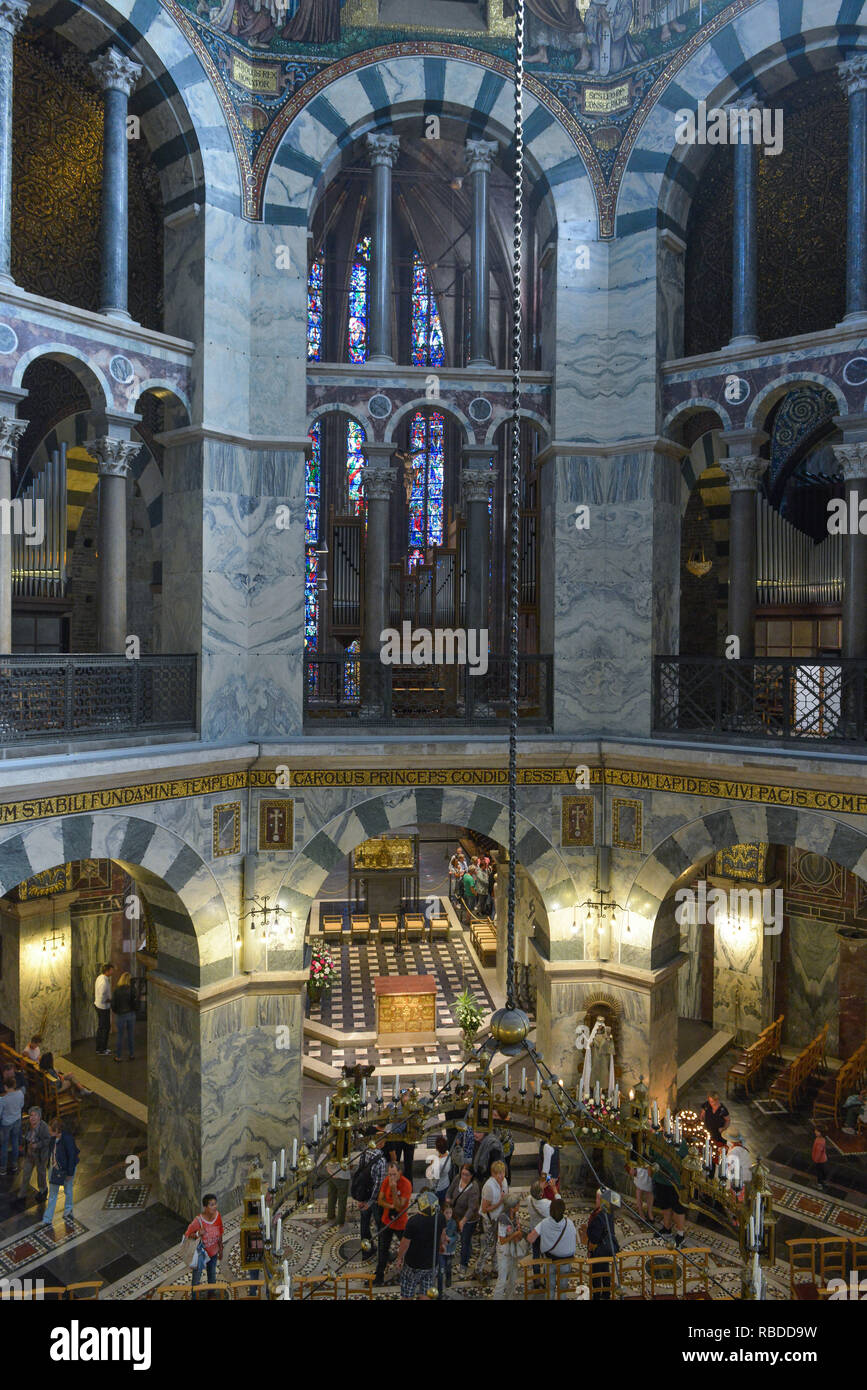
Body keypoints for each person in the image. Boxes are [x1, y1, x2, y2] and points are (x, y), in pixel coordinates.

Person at [526, 1195, 578, 1298]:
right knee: (563, 1289)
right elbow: (575, 1239)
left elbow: (530, 1239)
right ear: (563, 1210)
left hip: (550, 1260)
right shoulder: (570, 1223)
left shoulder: (544, 1223)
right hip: (566, 1261)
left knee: (549, 1288)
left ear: (550, 1210)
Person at [394, 1188, 442, 1299]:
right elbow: (443, 1237)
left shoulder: (413, 1222)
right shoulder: (440, 1218)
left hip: (413, 1264)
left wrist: (400, 1258)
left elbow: (405, 1244)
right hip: (431, 1264)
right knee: (425, 1293)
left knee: (407, 1293)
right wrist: (442, 1246)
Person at [373, 1158, 412, 1286]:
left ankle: (407, 1274)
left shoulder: (406, 1184)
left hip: (401, 1223)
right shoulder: (386, 1181)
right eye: (389, 1174)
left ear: (400, 1172)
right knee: (383, 1249)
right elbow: (380, 1200)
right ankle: (378, 1277)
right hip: (387, 1221)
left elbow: (399, 1206)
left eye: (394, 1174)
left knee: (407, 1249)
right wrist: (390, 1207)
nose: (391, 1177)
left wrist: (394, 1189)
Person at [351, 1131, 387, 1252]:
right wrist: (370, 1202)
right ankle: (383, 1250)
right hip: (374, 1199)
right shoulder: (381, 1160)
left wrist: (361, 1199)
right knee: (380, 1225)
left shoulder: (365, 1152)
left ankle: (366, 1248)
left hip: (363, 1193)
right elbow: (378, 1184)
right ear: (381, 1143)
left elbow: (360, 1173)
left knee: (364, 1224)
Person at [41, 1118, 79, 1225]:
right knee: (52, 1194)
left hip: (66, 1169)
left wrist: (70, 1173)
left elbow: (72, 1157)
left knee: (68, 1189)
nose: (49, 1132)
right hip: (55, 1168)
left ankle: (68, 1209)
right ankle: (47, 1219)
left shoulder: (68, 1139)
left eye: (51, 1130)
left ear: (57, 1130)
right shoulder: (53, 1138)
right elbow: (52, 1152)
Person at [446, 1163, 481, 1277]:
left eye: (466, 1175)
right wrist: (448, 1201)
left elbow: (472, 1208)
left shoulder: (474, 1188)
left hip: (469, 1219)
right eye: (462, 1174)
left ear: (471, 1176)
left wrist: (463, 1221)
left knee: (465, 1241)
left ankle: (463, 1264)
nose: (464, 1177)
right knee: (457, 1236)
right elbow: (450, 1191)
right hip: (456, 1214)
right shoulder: (457, 1178)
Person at [652, 1141, 689, 1248]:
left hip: (675, 1183)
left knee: (678, 1209)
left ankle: (680, 1234)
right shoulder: (658, 1137)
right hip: (660, 1179)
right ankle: (666, 1228)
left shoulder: (681, 1143)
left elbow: (684, 1162)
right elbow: (652, 1155)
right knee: (665, 1205)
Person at [476, 1158, 509, 1279]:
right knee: (489, 1247)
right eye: (499, 1173)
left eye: (503, 1172)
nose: (502, 1176)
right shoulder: (489, 1187)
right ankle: (478, 1269)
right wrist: (500, 1202)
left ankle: (495, 1268)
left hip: (499, 1218)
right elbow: (485, 1209)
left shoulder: (504, 1181)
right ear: (493, 1174)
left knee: (498, 1244)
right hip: (489, 1220)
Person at [586, 1189, 619, 1299]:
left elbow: (594, 1238)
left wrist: (590, 1249)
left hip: (600, 1249)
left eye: (596, 1198)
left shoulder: (599, 1216)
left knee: (596, 1273)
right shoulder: (609, 1210)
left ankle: (596, 1295)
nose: (595, 1200)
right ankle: (606, 1293)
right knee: (605, 1269)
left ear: (601, 1200)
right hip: (608, 1247)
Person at [185, 1193, 224, 1288]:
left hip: (213, 1253)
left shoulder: (218, 1216)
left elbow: (220, 1232)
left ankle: (212, 1294)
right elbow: (187, 1235)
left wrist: (220, 1249)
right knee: (196, 1279)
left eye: (215, 1204)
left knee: (212, 1276)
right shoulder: (198, 1221)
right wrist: (198, 1233)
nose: (214, 1207)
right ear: (205, 1207)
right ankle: (194, 1296)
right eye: (211, 1205)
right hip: (200, 1255)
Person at [493, 1191, 524, 1300]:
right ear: (512, 1207)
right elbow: (502, 1240)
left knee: (513, 1278)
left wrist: (518, 1233)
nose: (519, 1206)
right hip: (504, 1252)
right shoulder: (503, 1219)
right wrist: (515, 1234)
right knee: (502, 1280)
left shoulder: (515, 1216)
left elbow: (519, 1234)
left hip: (513, 1251)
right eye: (518, 1205)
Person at [17, 1106, 51, 1202]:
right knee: (26, 1173)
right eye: (30, 1115)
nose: (32, 1118)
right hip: (29, 1154)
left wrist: (38, 1145)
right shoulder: (28, 1124)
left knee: (41, 1174)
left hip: (40, 1156)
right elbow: (25, 1135)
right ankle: (22, 1193)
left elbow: (48, 1140)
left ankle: (43, 1190)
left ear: (39, 1117)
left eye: (34, 1115)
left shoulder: (44, 1127)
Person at [0, 1074, 26, 1175]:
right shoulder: (20, 1093)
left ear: (5, 1087)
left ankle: (3, 1168)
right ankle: (14, 1164)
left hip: (6, 1123)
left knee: (4, 1145)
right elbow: (21, 1105)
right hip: (17, 1120)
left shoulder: (3, 1100)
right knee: (15, 1141)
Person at [111, 971, 136, 1062]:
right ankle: (132, 1054)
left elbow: (113, 1004)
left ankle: (118, 1056)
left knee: (120, 1036)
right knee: (131, 1036)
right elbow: (135, 1002)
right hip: (131, 1014)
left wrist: (116, 1011)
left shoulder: (117, 990)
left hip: (120, 1015)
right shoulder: (132, 989)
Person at [526, 1180, 551, 1271]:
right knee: (546, 1256)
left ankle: (536, 1277)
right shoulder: (547, 1204)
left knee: (535, 1254)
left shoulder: (528, 1199)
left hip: (534, 1230)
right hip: (544, 1232)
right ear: (541, 1194)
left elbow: (535, 1195)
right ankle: (546, 1278)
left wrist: (540, 1189)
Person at [325, 1150, 352, 1226]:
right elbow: (350, 1165)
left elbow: (327, 1158)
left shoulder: (331, 1144)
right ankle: (340, 1221)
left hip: (330, 1173)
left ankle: (330, 1217)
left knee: (331, 1196)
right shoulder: (346, 1145)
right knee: (342, 1200)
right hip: (342, 1176)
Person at [425, 1135, 452, 1208]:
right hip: (446, 1185)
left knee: (436, 1208)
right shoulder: (448, 1153)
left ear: (436, 1148)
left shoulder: (437, 1163)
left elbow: (429, 1175)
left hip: (438, 1188)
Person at [438, 1198, 458, 1296]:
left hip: (450, 1250)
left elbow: (456, 1236)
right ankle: (440, 1289)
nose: (449, 1215)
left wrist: (450, 1240)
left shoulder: (453, 1223)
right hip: (441, 1250)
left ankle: (449, 1278)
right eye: (446, 1213)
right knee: (441, 1270)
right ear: (442, 1212)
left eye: (450, 1213)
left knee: (449, 1266)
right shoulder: (438, 1222)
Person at [94, 962, 114, 1055]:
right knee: (105, 1028)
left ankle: (101, 1047)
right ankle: (101, 1049)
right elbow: (102, 996)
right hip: (103, 1007)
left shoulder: (100, 977)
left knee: (102, 1027)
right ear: (107, 971)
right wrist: (108, 1000)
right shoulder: (104, 982)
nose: (112, 972)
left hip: (99, 1006)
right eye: (111, 970)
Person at [628, 1156, 654, 1221]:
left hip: (651, 1167)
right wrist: (632, 1167)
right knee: (639, 1191)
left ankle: (649, 1212)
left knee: (650, 1192)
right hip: (640, 1167)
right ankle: (640, 1212)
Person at [812, 1125, 829, 1191]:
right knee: (823, 1171)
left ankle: (819, 1184)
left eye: (817, 1131)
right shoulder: (822, 1139)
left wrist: (815, 1160)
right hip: (823, 1159)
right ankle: (824, 1181)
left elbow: (818, 1152)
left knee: (819, 1172)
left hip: (819, 1160)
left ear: (821, 1133)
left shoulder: (819, 1141)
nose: (815, 1131)